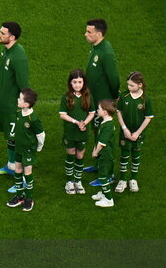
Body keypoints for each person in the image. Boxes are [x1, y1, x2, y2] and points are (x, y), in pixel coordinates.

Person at [83, 19, 120, 181]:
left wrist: (113, 97)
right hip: (95, 100)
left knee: (104, 138)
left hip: (103, 101)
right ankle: (99, 165)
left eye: (89, 32)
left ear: (99, 33)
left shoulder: (106, 52)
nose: (86, 34)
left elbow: (113, 78)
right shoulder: (96, 48)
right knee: (97, 131)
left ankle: (108, 174)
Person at [0, 22, 29, 178]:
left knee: (16, 139)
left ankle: (20, 176)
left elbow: (23, 84)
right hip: (3, 104)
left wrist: (24, 106)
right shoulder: (5, 50)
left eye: (2, 33)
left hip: (13, 106)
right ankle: (11, 165)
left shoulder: (18, 55)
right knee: (10, 137)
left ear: (12, 37)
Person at [6, 88, 45, 212]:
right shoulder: (19, 113)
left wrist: (38, 147)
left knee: (27, 173)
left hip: (28, 150)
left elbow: (41, 135)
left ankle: (29, 198)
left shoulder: (33, 119)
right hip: (19, 148)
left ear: (26, 104)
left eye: (20, 98)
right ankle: (19, 196)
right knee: (18, 170)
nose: (17, 99)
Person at [115, 71, 153, 193]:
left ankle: (133, 179)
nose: (129, 88)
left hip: (139, 134)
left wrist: (137, 133)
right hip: (125, 133)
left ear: (140, 85)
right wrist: (125, 129)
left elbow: (148, 118)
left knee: (135, 156)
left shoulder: (146, 100)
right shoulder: (124, 96)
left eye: (132, 85)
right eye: (128, 85)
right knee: (124, 155)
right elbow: (118, 112)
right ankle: (122, 180)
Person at [58, 69, 95, 195]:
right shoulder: (66, 97)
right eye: (75, 82)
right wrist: (76, 122)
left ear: (84, 82)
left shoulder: (88, 96)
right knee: (71, 154)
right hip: (70, 132)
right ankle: (69, 181)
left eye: (80, 82)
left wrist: (85, 122)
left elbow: (92, 113)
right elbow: (62, 114)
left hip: (83, 133)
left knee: (80, 156)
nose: (77, 85)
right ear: (70, 83)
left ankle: (78, 181)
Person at [91, 100, 118, 207]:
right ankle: (103, 193)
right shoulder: (106, 123)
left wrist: (95, 152)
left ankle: (108, 199)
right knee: (104, 175)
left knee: (103, 176)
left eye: (99, 109)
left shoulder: (108, 126)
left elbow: (102, 143)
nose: (97, 110)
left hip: (105, 155)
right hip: (106, 154)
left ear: (105, 112)